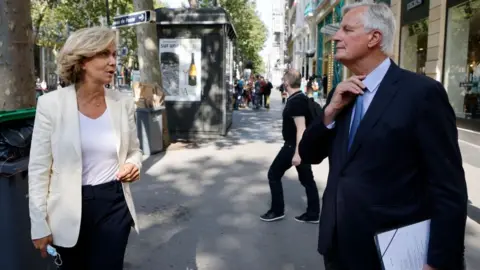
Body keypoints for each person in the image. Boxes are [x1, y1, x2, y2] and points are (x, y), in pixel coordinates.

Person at [299, 2, 468, 270]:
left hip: (392, 254)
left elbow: (448, 187)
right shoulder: (341, 94)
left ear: (374, 38)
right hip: (338, 248)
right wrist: (329, 113)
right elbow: (308, 154)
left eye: (346, 29)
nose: (336, 37)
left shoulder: (422, 94)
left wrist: (437, 261)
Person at [28, 27, 143, 270]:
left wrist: (134, 164)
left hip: (114, 205)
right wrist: (38, 223)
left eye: (114, 54)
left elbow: (134, 150)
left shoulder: (122, 103)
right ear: (82, 61)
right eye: (104, 54)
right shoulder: (50, 105)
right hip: (67, 210)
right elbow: (39, 169)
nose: (113, 61)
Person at [260, 69, 320, 223]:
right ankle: (313, 213)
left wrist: (298, 153)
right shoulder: (300, 98)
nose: (282, 82)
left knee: (273, 174)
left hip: (293, 147)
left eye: (283, 80)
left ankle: (277, 210)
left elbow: (301, 128)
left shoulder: (296, 102)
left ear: (287, 83)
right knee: (307, 180)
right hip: (300, 146)